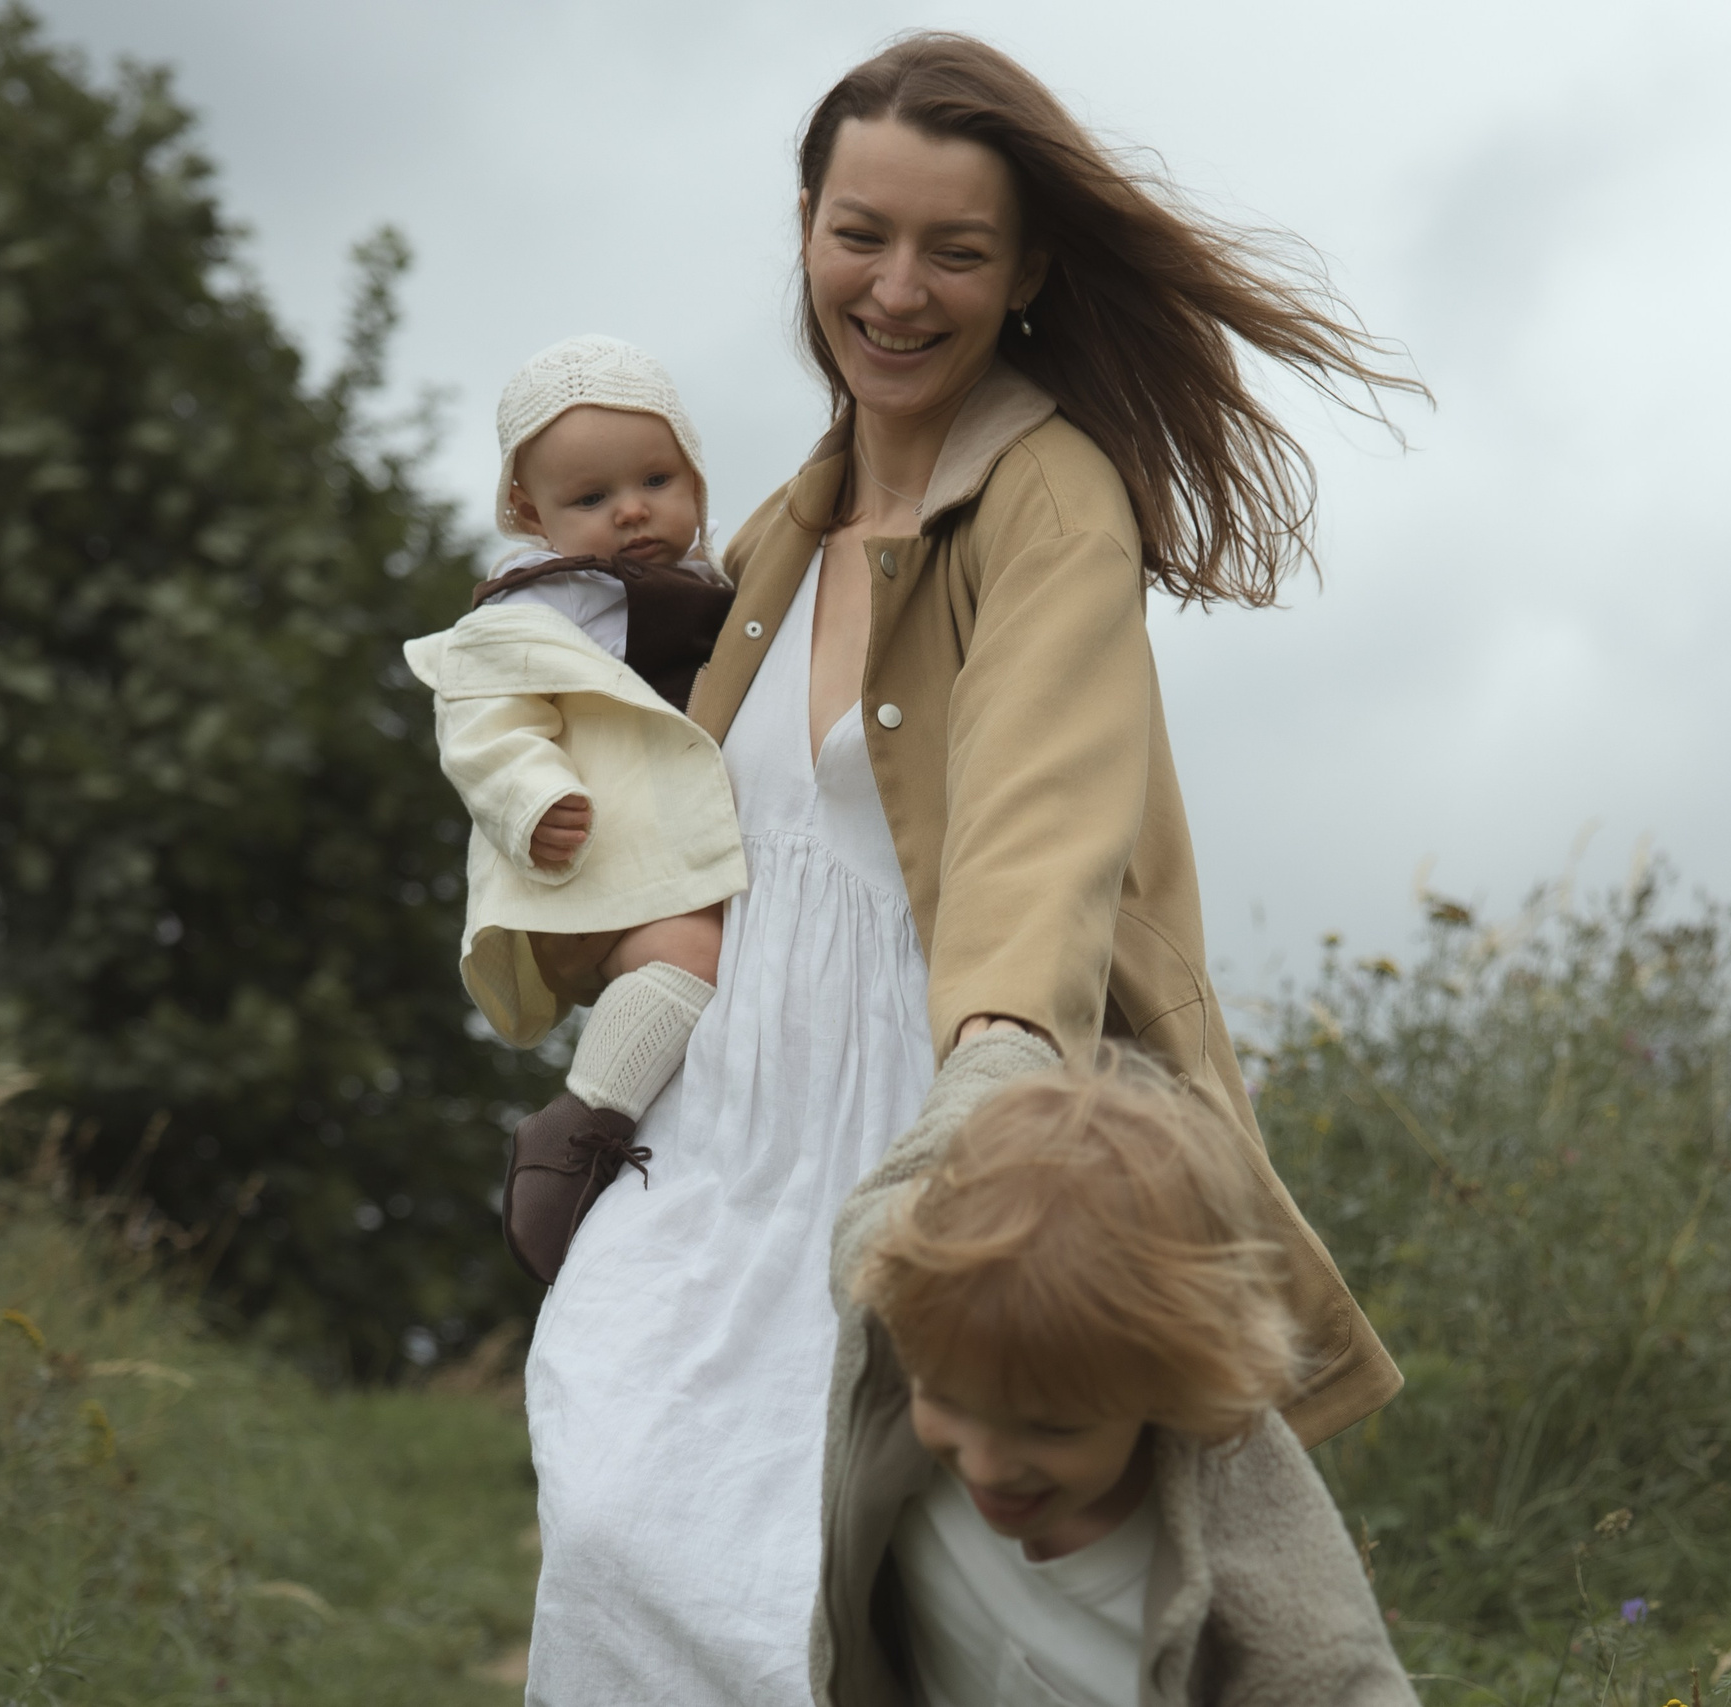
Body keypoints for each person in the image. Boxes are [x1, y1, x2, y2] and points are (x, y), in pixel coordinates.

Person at [520, 33, 1422, 1703]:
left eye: (955, 249)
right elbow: (686, 827)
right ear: (807, 227)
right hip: (714, 1133)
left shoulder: (1053, 499)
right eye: (860, 233)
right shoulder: (774, 535)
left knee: (814, 1589)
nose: (896, 289)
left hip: (920, 1114)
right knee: (617, 1512)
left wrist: (992, 1068)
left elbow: (1041, 818)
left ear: (1027, 273)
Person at [818, 1037, 1417, 1707]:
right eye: (945, 1399)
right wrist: (1006, 1036)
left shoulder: (1275, 1617)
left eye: (1050, 1427)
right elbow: (933, 1139)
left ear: (1174, 1385)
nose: (986, 1465)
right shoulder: (903, 1300)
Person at [403, 335, 743, 1281]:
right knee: (694, 954)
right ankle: (577, 1130)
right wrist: (532, 797)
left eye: (656, 480)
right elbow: (484, 723)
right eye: (591, 498)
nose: (631, 510)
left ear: (694, 473)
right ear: (531, 512)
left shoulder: (722, 587)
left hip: (684, 856)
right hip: (600, 858)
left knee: (735, 971)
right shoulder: (538, 610)